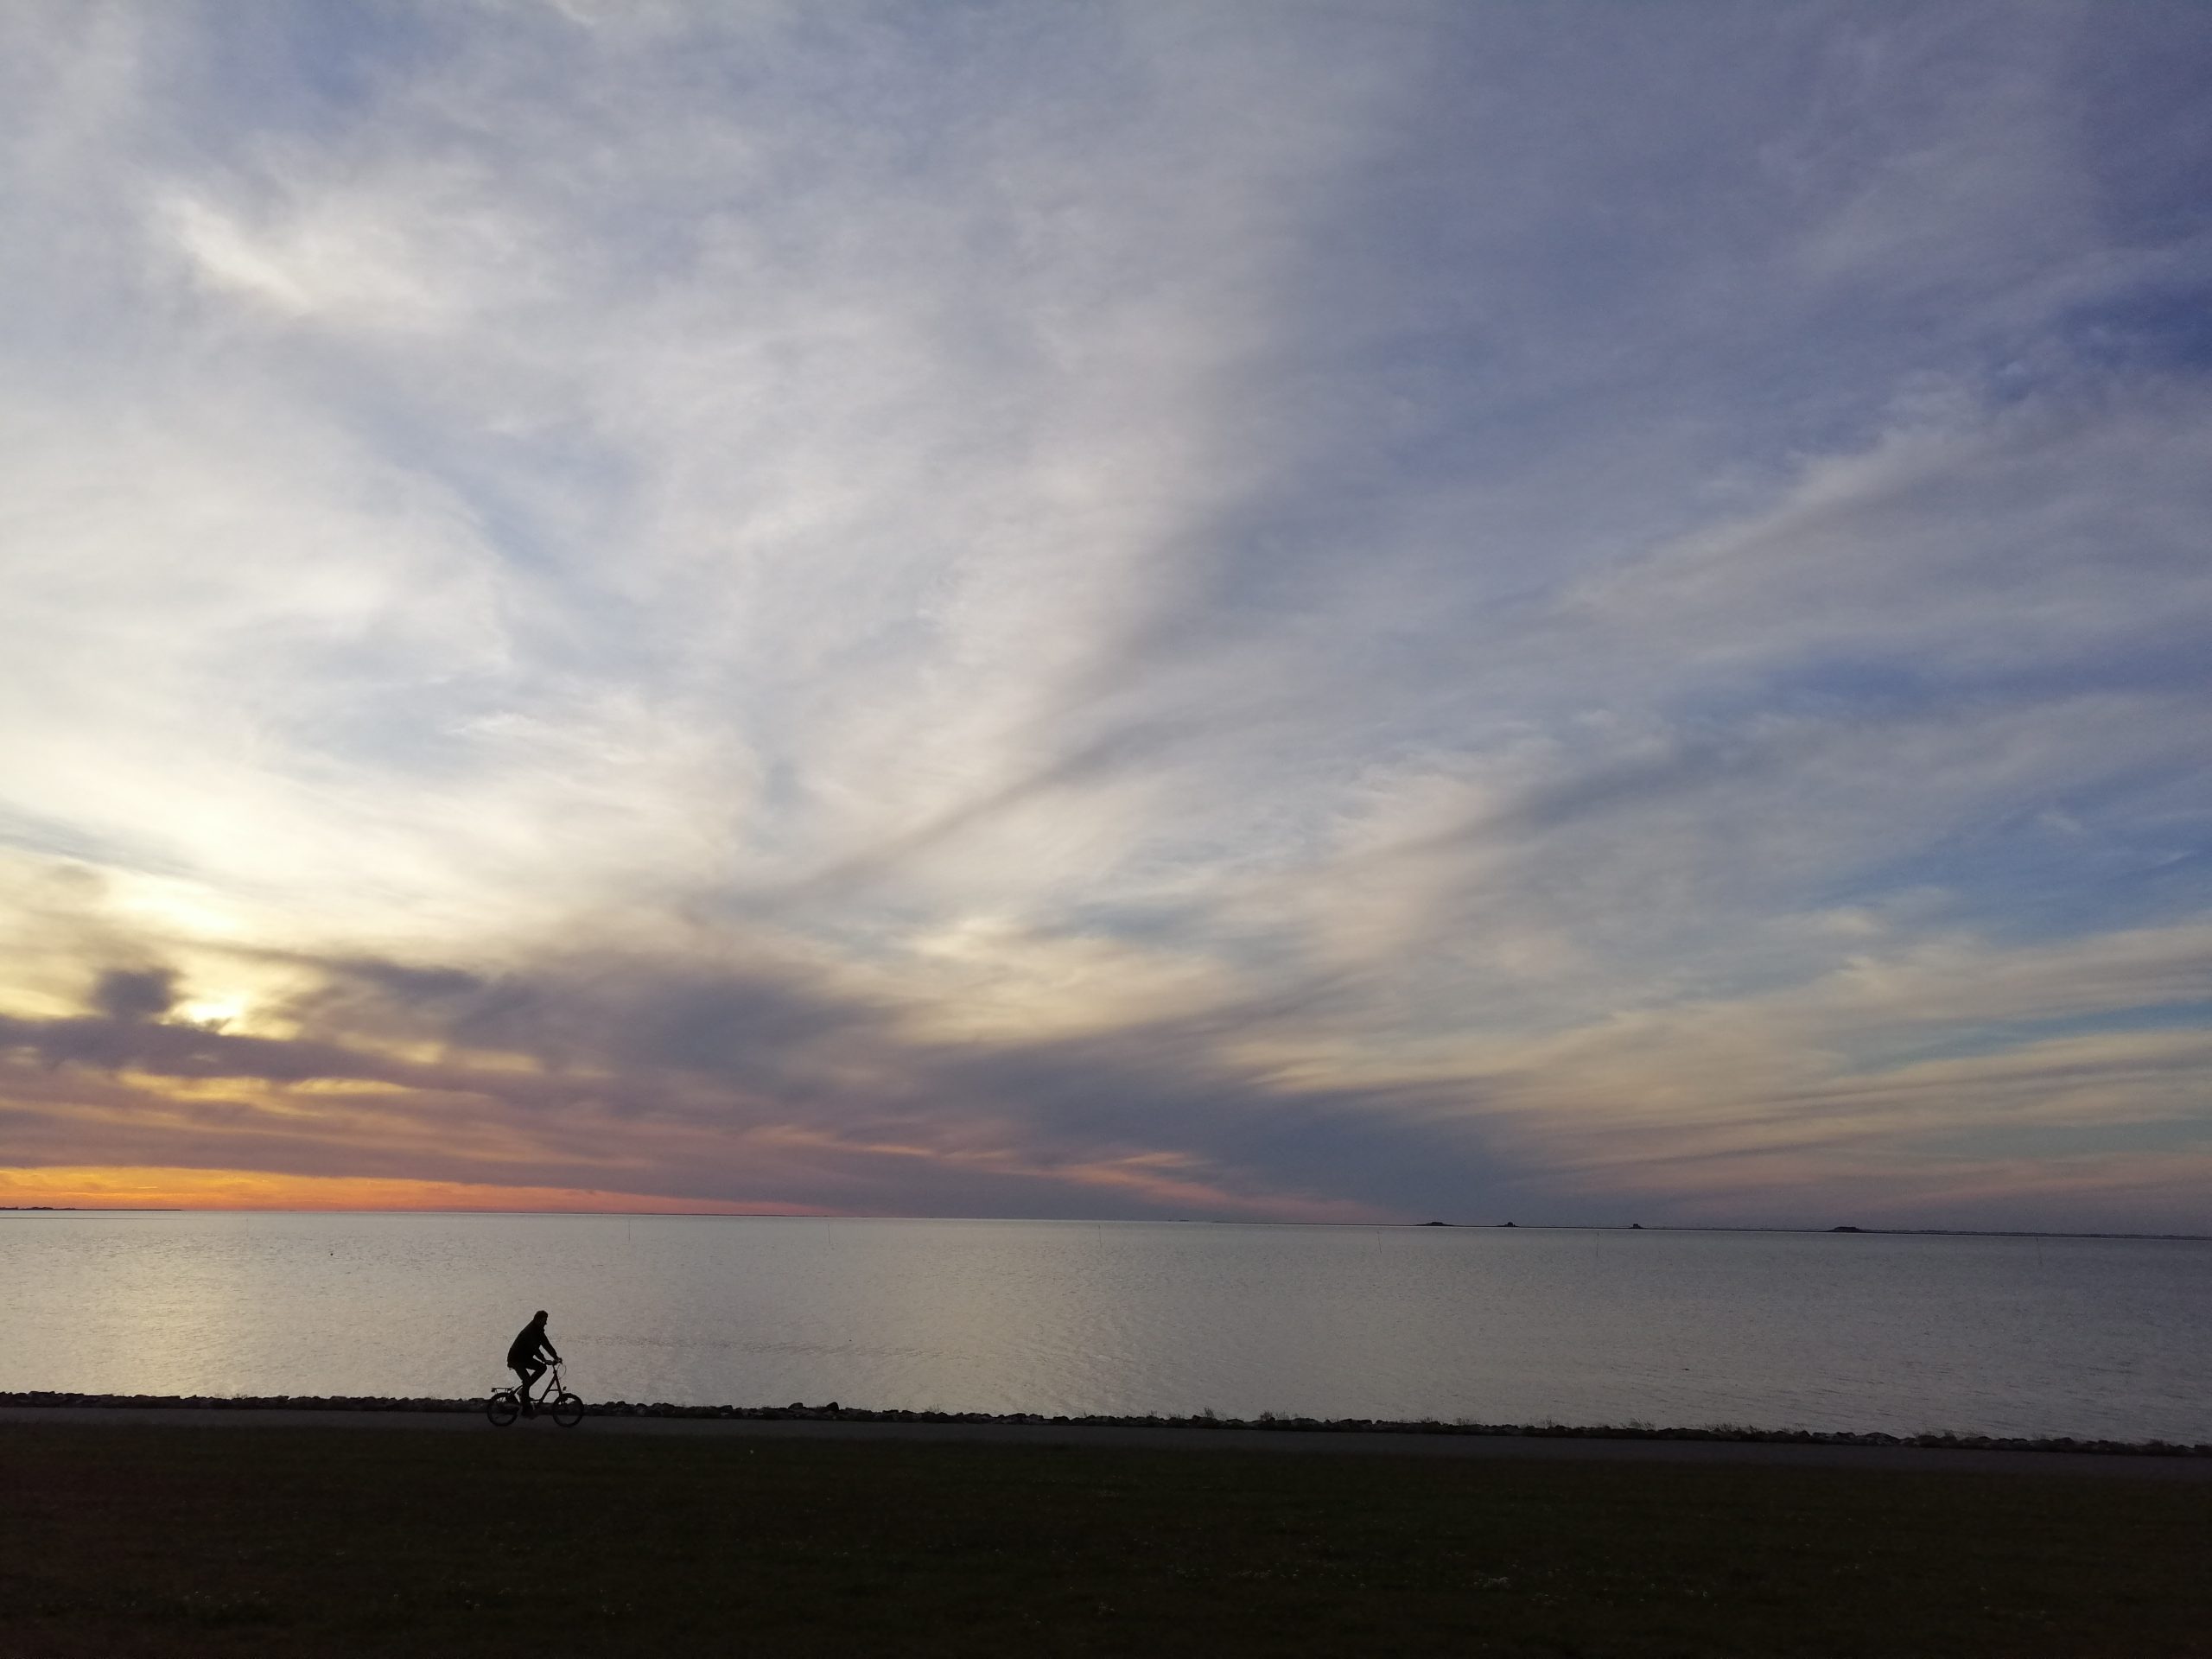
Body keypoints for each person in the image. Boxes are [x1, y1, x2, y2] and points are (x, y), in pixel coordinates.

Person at [506, 1310, 561, 1415]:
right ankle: (525, 1408)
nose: (546, 1323)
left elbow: (547, 1345)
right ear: (537, 1320)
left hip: (525, 1358)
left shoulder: (539, 1331)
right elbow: (534, 1348)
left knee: (542, 1368)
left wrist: (556, 1357)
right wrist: (544, 1360)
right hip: (516, 1359)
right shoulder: (530, 1331)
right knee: (526, 1379)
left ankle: (522, 1391)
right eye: (544, 1321)